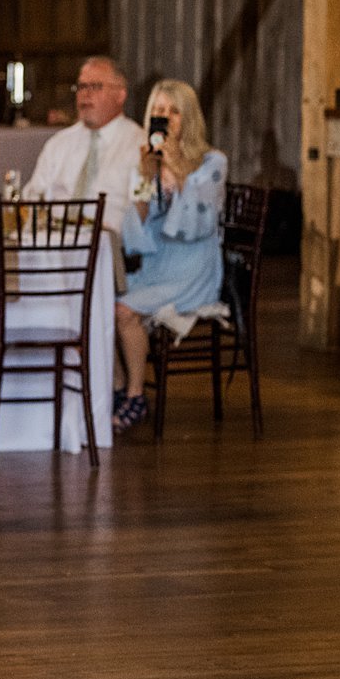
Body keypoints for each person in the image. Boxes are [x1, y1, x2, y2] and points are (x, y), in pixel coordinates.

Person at [112, 79, 227, 434]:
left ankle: (136, 395)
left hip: (192, 269)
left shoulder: (211, 162)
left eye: (173, 111)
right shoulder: (148, 161)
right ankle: (116, 387)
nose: (165, 118)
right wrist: (146, 180)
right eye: (159, 111)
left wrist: (178, 168)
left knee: (124, 311)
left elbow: (198, 225)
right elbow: (136, 231)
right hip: (158, 265)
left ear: (187, 118)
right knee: (96, 303)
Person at [24, 55, 142, 234]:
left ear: (120, 95)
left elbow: (144, 213)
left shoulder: (138, 144)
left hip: (112, 250)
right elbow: (33, 197)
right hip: (53, 245)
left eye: (95, 86)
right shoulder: (59, 144)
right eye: (81, 86)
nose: (86, 94)